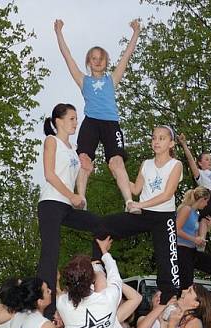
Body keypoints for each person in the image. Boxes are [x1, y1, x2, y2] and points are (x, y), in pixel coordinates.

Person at [54, 18, 141, 211]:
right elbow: (67, 57)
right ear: (89, 62)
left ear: (106, 62)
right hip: (91, 123)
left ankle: (129, 202)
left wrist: (135, 32)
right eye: (94, 58)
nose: (98, 61)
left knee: (116, 162)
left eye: (101, 58)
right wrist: (59, 32)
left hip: (111, 123)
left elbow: (127, 56)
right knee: (84, 159)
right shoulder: (83, 80)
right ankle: (81, 199)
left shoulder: (112, 79)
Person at [93, 125, 182, 305]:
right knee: (103, 225)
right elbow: (135, 189)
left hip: (164, 218)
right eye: (154, 138)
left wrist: (140, 204)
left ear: (171, 143)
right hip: (143, 214)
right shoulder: (146, 164)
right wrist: (118, 173)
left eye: (162, 138)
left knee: (167, 263)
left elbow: (166, 194)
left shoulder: (176, 165)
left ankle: (169, 302)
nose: (156, 141)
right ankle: (97, 268)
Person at [36, 103, 105, 316]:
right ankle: (47, 308)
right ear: (59, 121)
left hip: (67, 206)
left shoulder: (74, 152)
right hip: (51, 203)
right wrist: (72, 196)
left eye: (76, 119)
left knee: (99, 224)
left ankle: (95, 272)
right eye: (72, 118)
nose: (76, 123)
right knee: (51, 253)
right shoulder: (52, 141)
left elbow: (78, 185)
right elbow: (50, 174)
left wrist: (87, 171)